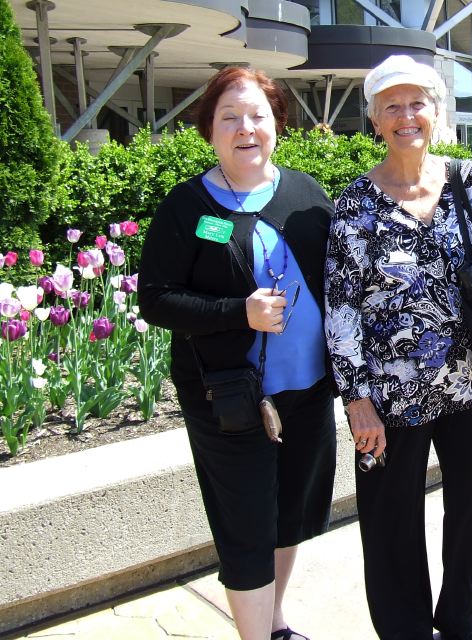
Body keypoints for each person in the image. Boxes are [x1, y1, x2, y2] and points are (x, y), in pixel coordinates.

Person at [324, 54, 472, 640]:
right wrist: (355, 399)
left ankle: (457, 611)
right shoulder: (354, 206)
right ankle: (406, 628)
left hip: (471, 383)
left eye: (417, 102)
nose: (406, 115)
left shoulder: (468, 185)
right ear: (374, 120)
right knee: (390, 520)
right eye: (391, 105)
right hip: (390, 399)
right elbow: (340, 311)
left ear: (437, 113)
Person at [138, 66, 337, 640]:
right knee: (245, 524)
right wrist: (237, 313)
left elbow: (343, 284)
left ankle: (274, 624)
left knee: (288, 515)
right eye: (230, 117)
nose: (245, 128)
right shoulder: (187, 207)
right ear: (209, 130)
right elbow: (156, 299)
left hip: (306, 391)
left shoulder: (305, 196)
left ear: (278, 124)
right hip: (227, 398)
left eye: (258, 115)